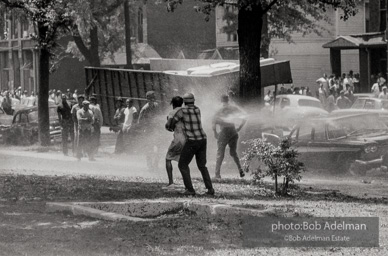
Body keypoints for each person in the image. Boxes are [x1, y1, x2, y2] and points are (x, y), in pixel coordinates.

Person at [166, 92, 214, 196]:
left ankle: (190, 189)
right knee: (202, 165)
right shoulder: (197, 109)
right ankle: (210, 189)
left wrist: (170, 125)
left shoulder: (182, 111)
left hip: (192, 140)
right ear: (193, 101)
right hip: (202, 139)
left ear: (184, 102)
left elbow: (171, 124)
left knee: (182, 165)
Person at [212, 94, 246, 179]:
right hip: (233, 131)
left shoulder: (219, 110)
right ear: (228, 100)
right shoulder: (233, 108)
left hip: (224, 132)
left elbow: (214, 122)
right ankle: (240, 169)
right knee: (233, 153)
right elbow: (245, 117)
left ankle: (217, 174)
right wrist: (239, 128)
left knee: (220, 153)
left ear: (221, 100)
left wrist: (215, 132)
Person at [164, 96, 185, 189]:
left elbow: (169, 126)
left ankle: (171, 183)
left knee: (168, 158)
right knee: (182, 161)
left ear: (173, 103)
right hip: (187, 138)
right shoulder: (185, 110)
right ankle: (187, 184)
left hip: (178, 138)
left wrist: (167, 125)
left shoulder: (173, 112)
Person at [138, 91, 162, 170]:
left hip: (156, 130)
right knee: (149, 149)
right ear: (147, 99)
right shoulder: (144, 109)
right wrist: (144, 129)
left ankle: (155, 164)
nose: (153, 99)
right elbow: (139, 121)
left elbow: (159, 117)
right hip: (148, 131)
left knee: (159, 148)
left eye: (153, 97)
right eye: (151, 97)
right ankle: (150, 165)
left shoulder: (156, 106)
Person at [71, 94, 85, 158]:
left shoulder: (85, 107)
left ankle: (82, 152)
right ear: (78, 100)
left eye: (82, 100)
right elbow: (73, 116)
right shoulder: (75, 107)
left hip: (84, 124)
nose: (81, 101)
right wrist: (76, 122)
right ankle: (75, 152)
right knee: (77, 137)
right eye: (80, 100)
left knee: (83, 138)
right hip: (76, 124)